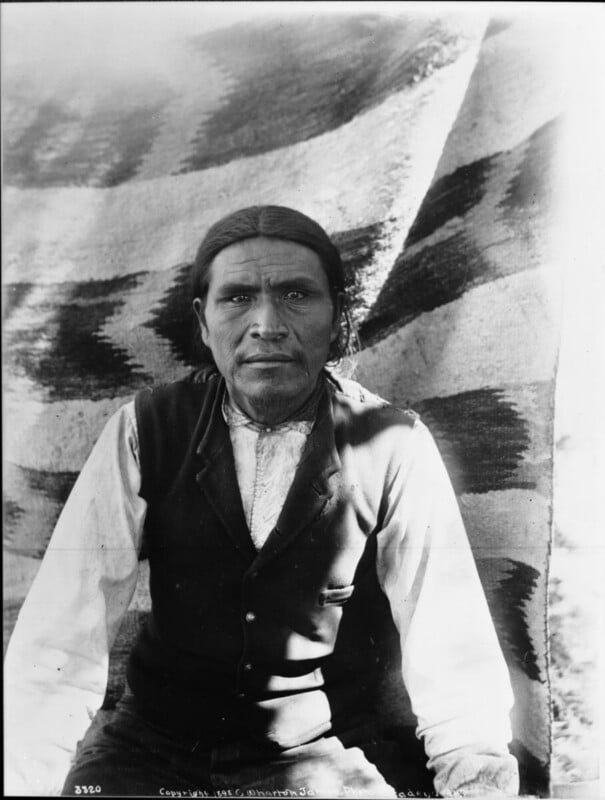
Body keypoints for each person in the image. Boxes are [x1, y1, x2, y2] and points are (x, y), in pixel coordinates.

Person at [5, 205, 519, 798]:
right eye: (238, 298)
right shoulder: (142, 430)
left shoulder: (392, 444)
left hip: (314, 754)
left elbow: (449, 639)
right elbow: (60, 639)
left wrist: (477, 781)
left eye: (297, 295)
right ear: (202, 322)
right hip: (150, 752)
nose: (267, 324)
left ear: (337, 319)